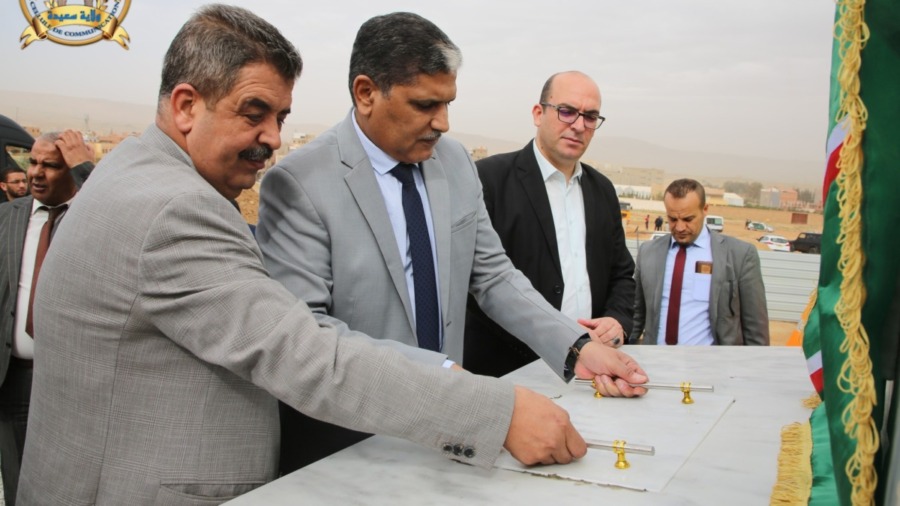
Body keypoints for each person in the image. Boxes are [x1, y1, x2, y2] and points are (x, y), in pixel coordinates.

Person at [18, 6, 646, 504]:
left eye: (280, 116)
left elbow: (493, 273)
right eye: (254, 113)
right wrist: (489, 408)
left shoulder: (139, 174)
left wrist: (573, 345)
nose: (272, 138)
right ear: (186, 106)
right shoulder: (179, 207)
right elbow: (302, 348)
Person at [257, 13, 648, 473]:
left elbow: (494, 276)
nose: (442, 122)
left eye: (448, 103)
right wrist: (449, 381)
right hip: (347, 448)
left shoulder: (455, 162)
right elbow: (309, 336)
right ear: (366, 93)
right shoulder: (300, 183)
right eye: (425, 104)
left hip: (447, 443)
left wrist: (577, 346)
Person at [463, 71, 635, 378]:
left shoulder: (603, 190)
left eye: (590, 117)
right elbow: (476, 282)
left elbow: (621, 274)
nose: (578, 126)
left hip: (590, 372)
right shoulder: (488, 179)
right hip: (508, 372)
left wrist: (617, 320)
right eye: (567, 111)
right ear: (538, 113)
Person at [0, 131, 91, 506]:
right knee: (18, 483)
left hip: (73, 383)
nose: (36, 173)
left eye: (50, 165)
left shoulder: (93, 219)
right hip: (13, 378)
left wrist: (87, 169)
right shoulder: (7, 216)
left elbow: (127, 209)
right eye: (32, 162)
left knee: (70, 484)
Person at [629, 178, 769, 346]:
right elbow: (635, 314)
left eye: (688, 219)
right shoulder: (648, 252)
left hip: (713, 361)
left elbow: (755, 329)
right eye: (672, 219)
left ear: (705, 209)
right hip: (656, 359)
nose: (680, 227)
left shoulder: (740, 255)